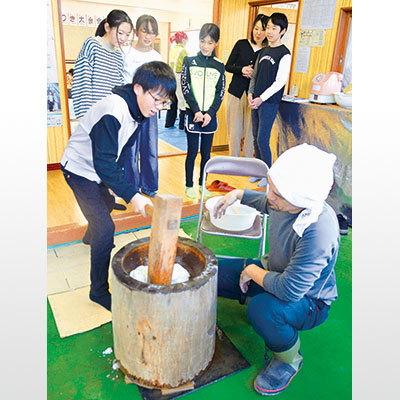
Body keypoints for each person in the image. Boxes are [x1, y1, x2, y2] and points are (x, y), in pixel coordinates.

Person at [213, 143, 340, 396]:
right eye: (271, 185)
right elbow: (267, 203)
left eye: (278, 193)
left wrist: (251, 271)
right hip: (275, 270)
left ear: (300, 200)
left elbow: (290, 290)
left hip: (309, 300)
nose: (270, 195)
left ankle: (289, 359)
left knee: (262, 309)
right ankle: (255, 291)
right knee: (213, 273)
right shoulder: (287, 201)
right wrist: (237, 194)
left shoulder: (318, 231)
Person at [60, 61, 176, 312]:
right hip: (79, 170)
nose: (158, 108)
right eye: (156, 99)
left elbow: (123, 152)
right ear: (138, 88)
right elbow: (103, 163)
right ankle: (98, 291)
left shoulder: (139, 112)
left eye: (164, 103)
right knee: (106, 229)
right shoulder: (114, 110)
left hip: (97, 170)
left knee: (107, 204)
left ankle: (90, 237)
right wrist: (133, 195)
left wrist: (120, 184)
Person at [181, 23, 226, 199]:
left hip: (210, 117)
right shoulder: (189, 61)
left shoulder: (219, 65)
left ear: (216, 43)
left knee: (206, 154)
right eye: (202, 41)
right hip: (193, 114)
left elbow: (220, 92)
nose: (206, 46)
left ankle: (202, 184)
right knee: (192, 152)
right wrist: (197, 111)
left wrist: (210, 113)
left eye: (210, 42)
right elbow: (185, 87)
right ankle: (189, 184)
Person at [248, 12, 292, 187]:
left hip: (270, 102)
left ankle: (268, 175)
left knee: (262, 139)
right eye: (268, 28)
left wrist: (261, 98)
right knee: (254, 136)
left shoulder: (284, 53)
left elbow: (280, 81)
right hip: (256, 100)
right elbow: (255, 75)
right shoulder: (263, 51)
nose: (270, 31)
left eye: (274, 28)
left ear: (283, 31)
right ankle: (258, 171)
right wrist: (251, 95)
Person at [121, 14, 162, 198]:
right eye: (145, 31)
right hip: (130, 107)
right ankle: (131, 186)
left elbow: (160, 84)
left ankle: (149, 186)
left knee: (150, 147)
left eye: (152, 33)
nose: (148, 36)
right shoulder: (126, 52)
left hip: (151, 109)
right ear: (137, 32)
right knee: (130, 148)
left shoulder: (156, 56)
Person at [71, 9, 133, 119]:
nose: (123, 38)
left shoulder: (118, 55)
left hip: (112, 116)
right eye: (120, 33)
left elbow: (118, 88)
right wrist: (85, 117)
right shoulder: (92, 45)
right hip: (92, 117)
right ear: (107, 27)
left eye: (127, 35)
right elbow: (82, 83)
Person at [225, 14, 268, 158]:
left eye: (262, 30)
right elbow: (228, 66)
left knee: (251, 132)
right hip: (236, 92)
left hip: (254, 96)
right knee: (234, 131)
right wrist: (242, 69)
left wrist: (255, 74)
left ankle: (248, 162)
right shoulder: (241, 44)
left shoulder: (266, 51)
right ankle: (234, 161)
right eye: (256, 28)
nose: (258, 33)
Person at [165, 31, 189, 129]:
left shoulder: (173, 49)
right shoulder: (183, 50)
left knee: (173, 100)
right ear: (183, 40)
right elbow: (188, 63)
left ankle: (169, 123)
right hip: (179, 75)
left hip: (171, 76)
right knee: (182, 100)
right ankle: (182, 125)